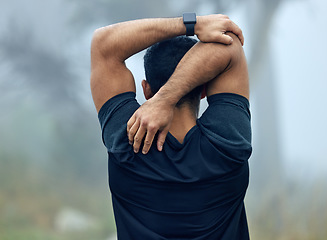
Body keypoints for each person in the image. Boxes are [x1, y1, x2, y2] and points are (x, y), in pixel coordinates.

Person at [91, 13, 252, 240]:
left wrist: (191, 24)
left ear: (146, 90)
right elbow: (229, 45)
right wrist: (167, 98)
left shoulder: (126, 141)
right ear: (204, 89)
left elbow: (103, 44)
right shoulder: (228, 144)